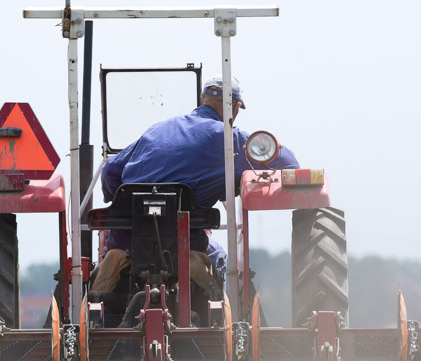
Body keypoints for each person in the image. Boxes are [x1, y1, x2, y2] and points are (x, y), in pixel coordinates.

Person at [92, 75, 299, 295]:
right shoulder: (229, 141)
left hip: (127, 247)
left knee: (110, 258)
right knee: (219, 258)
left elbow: (110, 172)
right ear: (235, 109)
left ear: (202, 101)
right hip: (185, 247)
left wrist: (123, 203)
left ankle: (100, 307)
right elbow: (289, 164)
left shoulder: (156, 131)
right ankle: (224, 316)